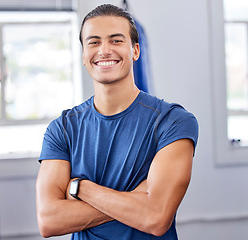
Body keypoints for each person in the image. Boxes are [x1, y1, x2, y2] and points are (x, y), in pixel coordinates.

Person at [36, 4, 198, 240]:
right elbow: (49, 221)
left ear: (135, 51)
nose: (104, 50)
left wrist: (81, 188)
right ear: (83, 56)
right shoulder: (62, 129)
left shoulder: (173, 122)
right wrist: (136, 198)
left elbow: (156, 218)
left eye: (116, 40)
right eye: (93, 42)